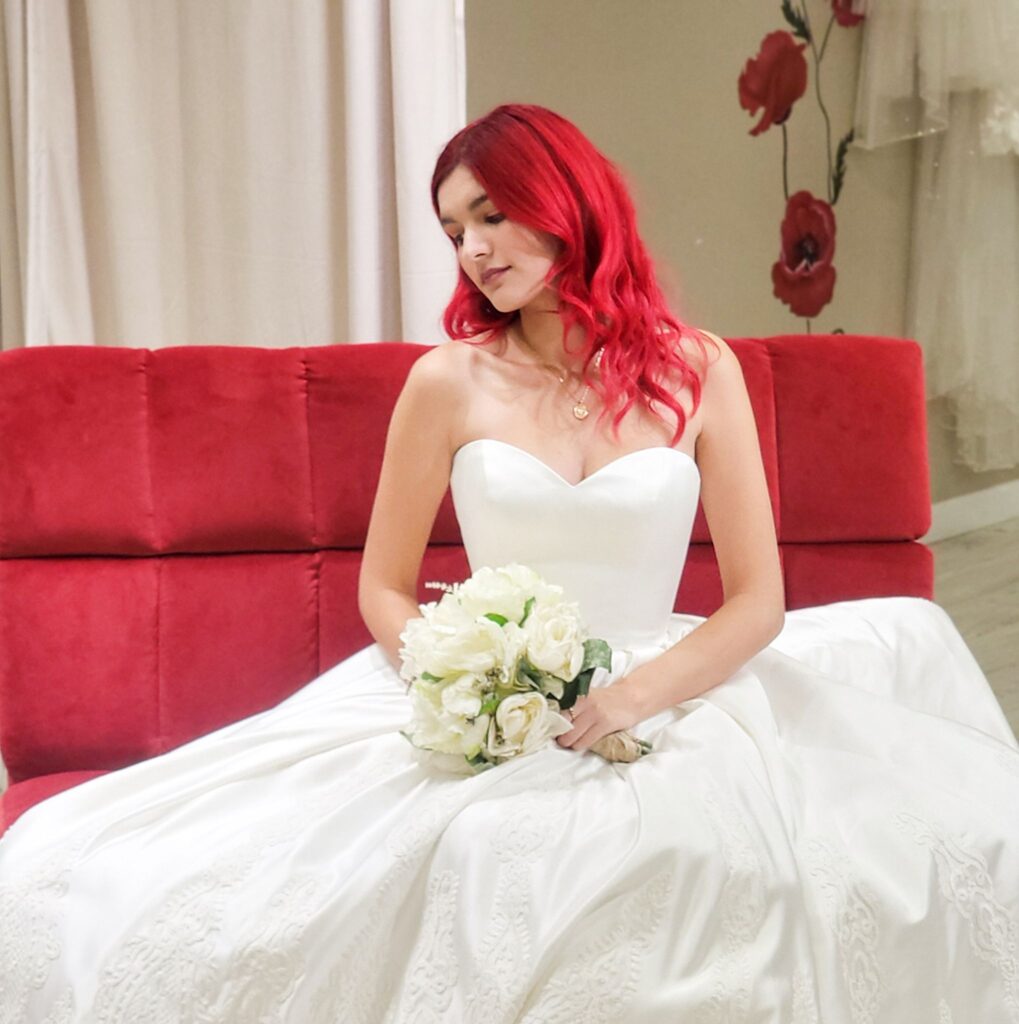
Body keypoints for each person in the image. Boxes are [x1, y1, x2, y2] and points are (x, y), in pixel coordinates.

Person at [1, 102, 1017, 1023]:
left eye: (491, 215)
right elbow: (384, 589)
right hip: (481, 693)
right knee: (260, 885)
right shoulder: (445, 382)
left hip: (664, 691)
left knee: (767, 868)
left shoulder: (699, 369)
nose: (473, 250)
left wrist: (627, 698)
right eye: (453, 232)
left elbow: (757, 602)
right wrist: (467, 685)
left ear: (563, 198)